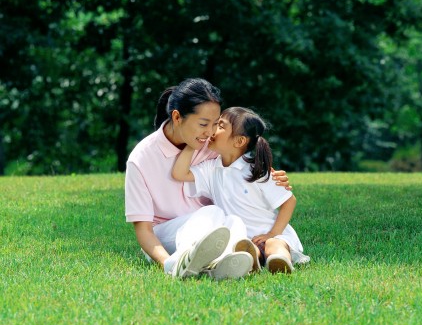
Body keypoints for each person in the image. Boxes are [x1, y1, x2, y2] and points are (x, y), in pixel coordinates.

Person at [125, 78, 291, 280]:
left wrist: (268, 174)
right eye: (204, 124)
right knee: (211, 213)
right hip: (169, 236)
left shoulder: (209, 144)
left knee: (234, 221)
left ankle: (219, 264)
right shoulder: (141, 159)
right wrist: (166, 262)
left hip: (213, 229)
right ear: (177, 117)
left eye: (215, 124)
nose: (211, 132)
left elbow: (238, 158)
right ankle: (182, 261)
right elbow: (143, 230)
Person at [172, 106, 310, 274]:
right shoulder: (211, 169)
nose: (213, 129)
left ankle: (280, 261)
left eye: (220, 126)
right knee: (246, 249)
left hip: (272, 233)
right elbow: (179, 173)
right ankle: (254, 263)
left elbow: (289, 201)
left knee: (274, 245)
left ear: (239, 141)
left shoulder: (256, 170)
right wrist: (193, 144)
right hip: (243, 238)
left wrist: (273, 233)